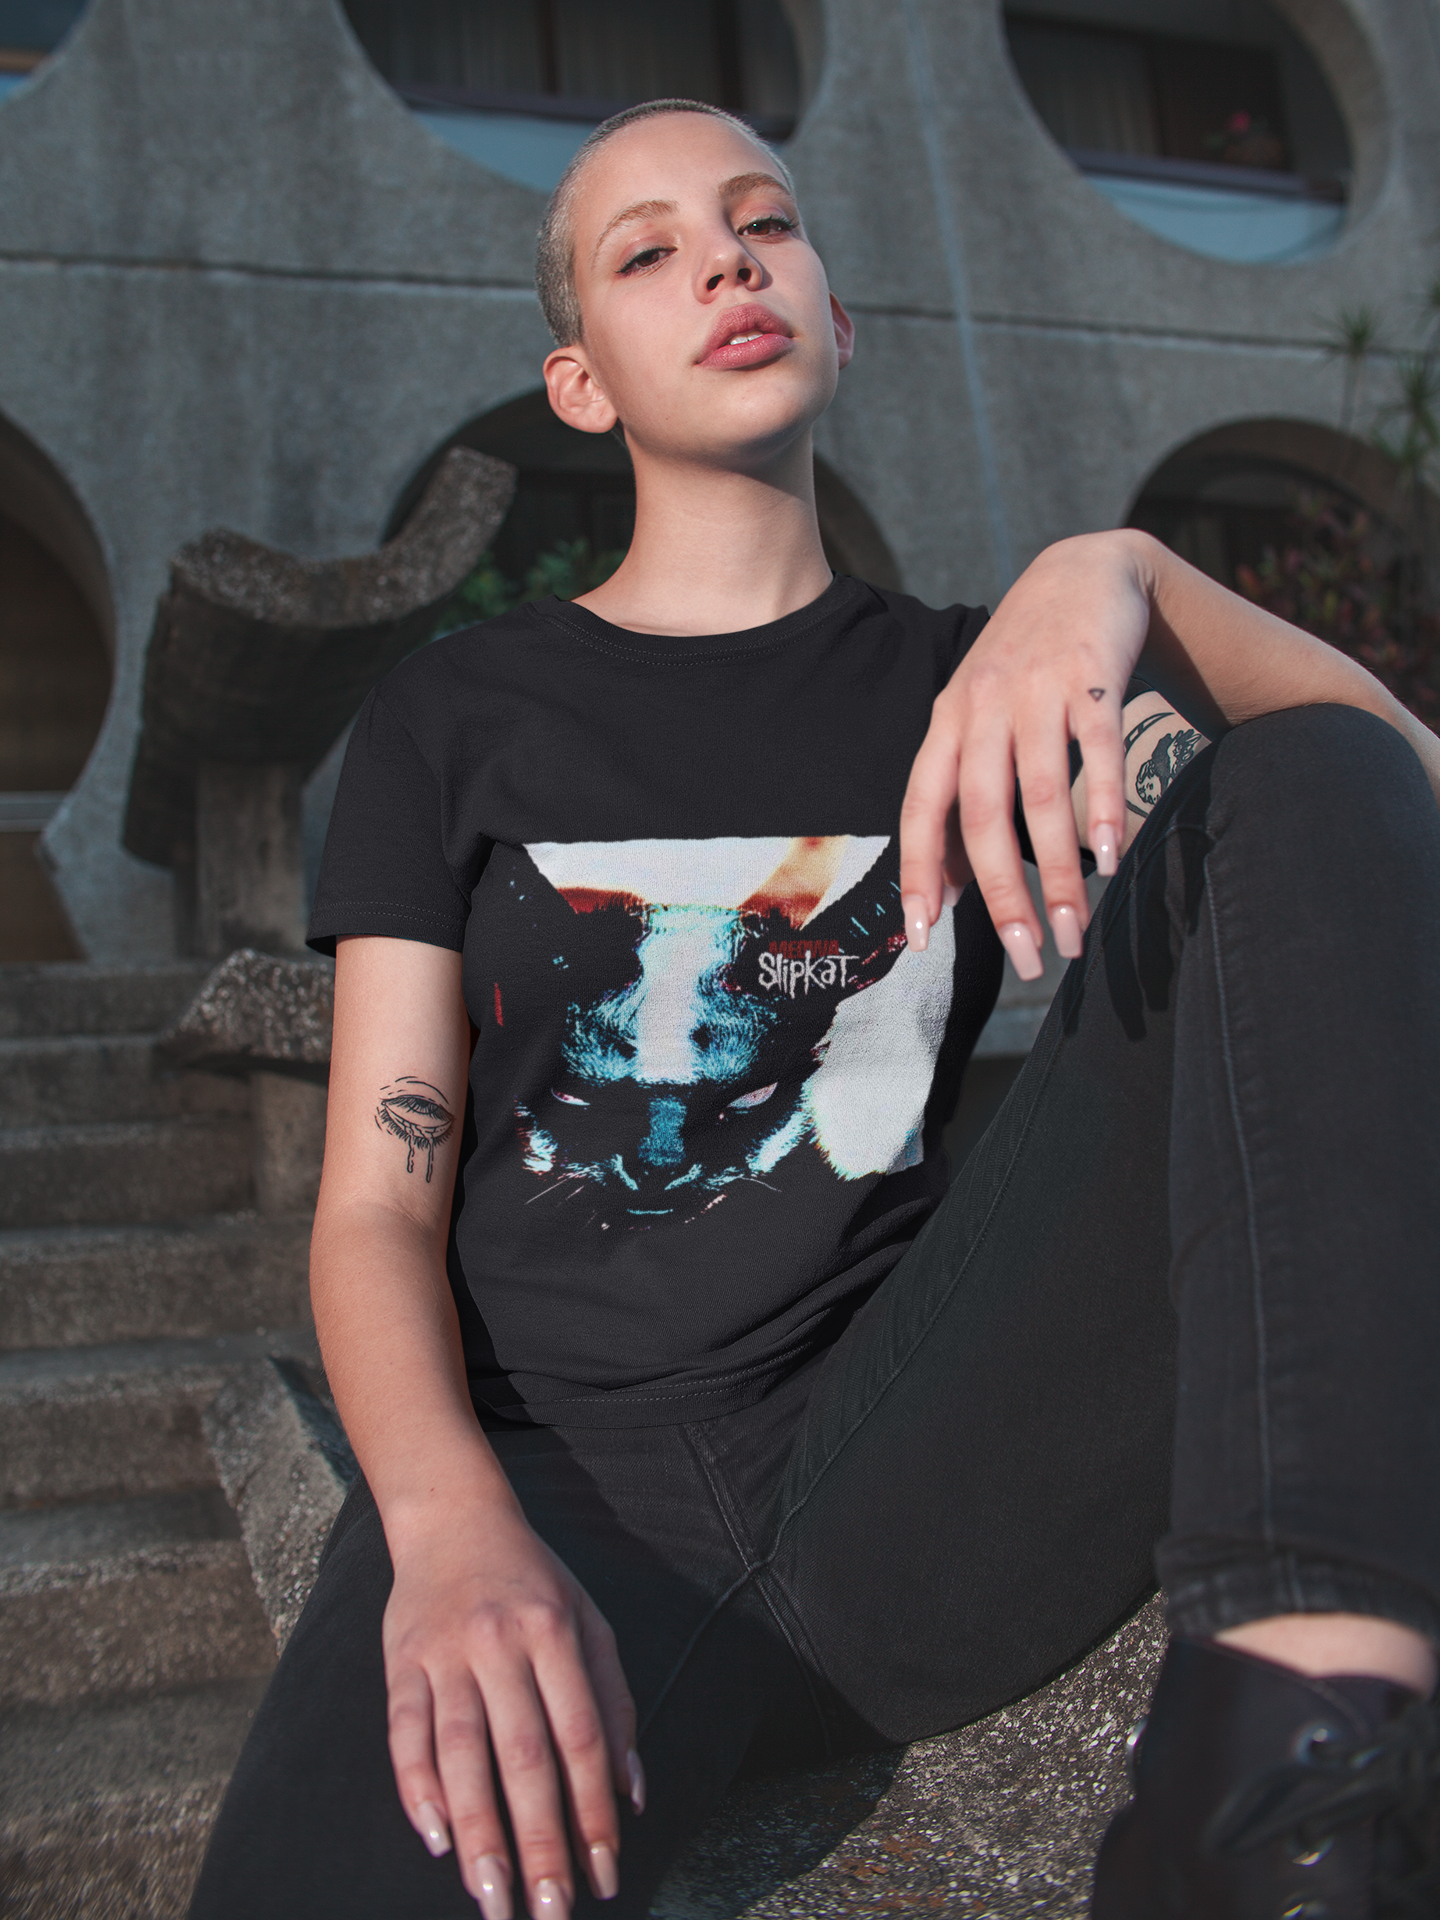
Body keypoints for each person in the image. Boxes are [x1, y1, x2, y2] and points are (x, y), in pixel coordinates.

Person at [189, 99, 1440, 1920]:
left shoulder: (985, 686)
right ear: (580, 384)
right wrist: (443, 1534)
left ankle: (1294, 1760)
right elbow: (377, 1204)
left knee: (1296, 762)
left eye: (763, 222)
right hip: (563, 1495)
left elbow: (1384, 808)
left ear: (837, 320)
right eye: (649, 252)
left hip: (918, 1460)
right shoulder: (456, 722)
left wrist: (1120, 575)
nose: (725, 261)